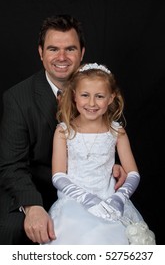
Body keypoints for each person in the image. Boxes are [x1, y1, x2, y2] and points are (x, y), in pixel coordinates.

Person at [0, 15, 126, 245]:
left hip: (92, 191)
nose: (61, 57)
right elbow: (11, 165)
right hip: (36, 190)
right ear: (40, 52)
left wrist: (111, 164)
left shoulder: (97, 90)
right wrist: (32, 206)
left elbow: (102, 138)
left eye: (70, 49)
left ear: (82, 52)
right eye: (52, 49)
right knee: (9, 231)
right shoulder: (17, 99)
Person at [44, 63, 156, 245]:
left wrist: (119, 198)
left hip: (109, 200)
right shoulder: (64, 131)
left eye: (100, 96)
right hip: (74, 201)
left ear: (111, 98)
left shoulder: (116, 131)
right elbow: (58, 176)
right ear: (74, 96)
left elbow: (133, 173)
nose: (91, 103)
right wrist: (86, 199)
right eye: (85, 95)